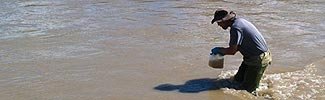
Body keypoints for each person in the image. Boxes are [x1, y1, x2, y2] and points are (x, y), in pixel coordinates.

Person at [210, 8, 272, 93]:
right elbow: (238, 46)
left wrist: (220, 50)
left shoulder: (235, 28)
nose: (219, 25)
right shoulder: (240, 21)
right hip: (253, 57)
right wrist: (223, 51)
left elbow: (232, 51)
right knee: (237, 80)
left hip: (258, 59)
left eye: (219, 22)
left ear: (224, 21)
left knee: (247, 90)